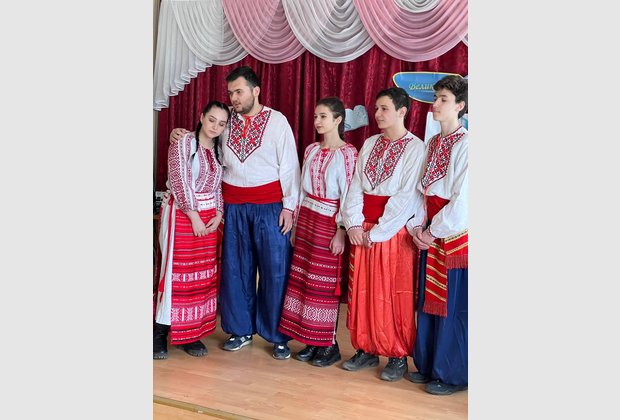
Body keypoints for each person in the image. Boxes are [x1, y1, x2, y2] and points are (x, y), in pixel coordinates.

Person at [169, 66, 301, 360]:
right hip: (233, 207)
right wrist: (180, 133)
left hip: (270, 206)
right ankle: (240, 330)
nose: (234, 98)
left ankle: (277, 335)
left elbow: (290, 165)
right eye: (230, 92)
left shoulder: (277, 121)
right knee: (236, 269)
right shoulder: (225, 120)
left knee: (275, 269)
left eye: (239, 92)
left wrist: (290, 206)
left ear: (256, 91)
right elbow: (202, 139)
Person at [340, 87, 425, 381]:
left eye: (384, 108)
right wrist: (353, 224)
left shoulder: (415, 148)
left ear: (402, 112)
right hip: (363, 230)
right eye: (376, 108)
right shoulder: (370, 143)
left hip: (392, 232)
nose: (377, 114)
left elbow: (407, 197)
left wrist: (378, 232)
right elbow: (355, 186)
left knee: (391, 292)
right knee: (362, 291)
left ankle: (397, 354)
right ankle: (365, 348)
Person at [277, 97, 358, 367]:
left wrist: (341, 230)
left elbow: (349, 194)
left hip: (329, 220)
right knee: (304, 281)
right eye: (315, 116)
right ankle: (311, 340)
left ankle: (328, 344)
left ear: (338, 120)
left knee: (323, 283)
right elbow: (301, 188)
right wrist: (297, 222)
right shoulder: (311, 149)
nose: (317, 121)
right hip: (308, 218)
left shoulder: (348, 153)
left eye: (323, 116)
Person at [405, 75, 468, 395]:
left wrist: (432, 230)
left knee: (452, 307)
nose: (437, 103)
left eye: (444, 99)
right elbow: (421, 192)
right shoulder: (431, 144)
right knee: (429, 302)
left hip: (453, 235)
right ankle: (429, 365)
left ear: (460, 106)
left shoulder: (468, 144)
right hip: (431, 228)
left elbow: (463, 200)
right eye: (436, 97)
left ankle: (452, 373)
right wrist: (417, 225)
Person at [154, 100, 230, 360]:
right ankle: (159, 332)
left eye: (221, 124)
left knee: (199, 276)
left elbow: (218, 186)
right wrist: (193, 215)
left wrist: (218, 214)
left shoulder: (219, 151)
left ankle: (190, 333)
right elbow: (179, 180)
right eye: (211, 120)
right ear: (201, 117)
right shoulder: (184, 143)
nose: (215, 127)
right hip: (182, 214)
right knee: (174, 273)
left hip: (208, 218)